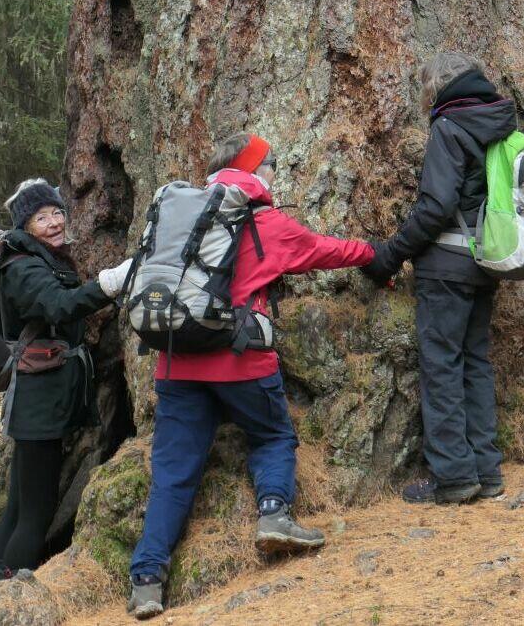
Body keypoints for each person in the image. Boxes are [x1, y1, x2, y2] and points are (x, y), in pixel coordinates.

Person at [127, 134, 376, 622]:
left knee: (172, 475)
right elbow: (324, 250)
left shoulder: (181, 223)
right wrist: (375, 253)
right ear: (255, 170)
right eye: (269, 163)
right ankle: (274, 514)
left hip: (176, 362)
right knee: (272, 436)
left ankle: (147, 579)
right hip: (242, 363)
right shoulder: (265, 222)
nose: (274, 172)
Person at [364, 50, 516, 505]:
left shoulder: (449, 127)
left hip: (446, 265)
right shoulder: (498, 124)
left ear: (437, 86)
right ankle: (486, 471)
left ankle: (453, 475)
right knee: (475, 364)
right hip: (486, 261)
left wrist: (390, 254)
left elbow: (435, 206)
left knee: (443, 367)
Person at [0, 178, 131, 596]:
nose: (54, 222)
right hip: (38, 404)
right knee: (35, 513)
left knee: (17, 509)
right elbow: (60, 306)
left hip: (38, 399)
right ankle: (8, 603)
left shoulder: (38, 258)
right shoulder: (23, 267)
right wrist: (110, 284)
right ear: (25, 226)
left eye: (57, 212)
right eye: (41, 217)